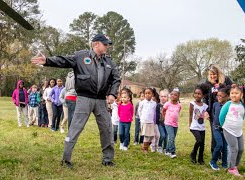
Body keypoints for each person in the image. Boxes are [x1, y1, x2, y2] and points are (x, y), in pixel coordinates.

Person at [30, 33, 121, 167]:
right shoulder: (81, 56)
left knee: (107, 129)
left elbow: (116, 79)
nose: (107, 46)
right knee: (75, 128)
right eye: (105, 44)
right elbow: (64, 61)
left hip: (101, 100)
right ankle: (66, 160)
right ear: (96, 44)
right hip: (84, 99)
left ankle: (108, 160)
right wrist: (47, 61)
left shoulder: (109, 62)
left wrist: (112, 93)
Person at [201, 64, 233, 154]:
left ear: (218, 73)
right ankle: (215, 153)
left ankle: (225, 153)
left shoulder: (226, 80)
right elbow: (205, 98)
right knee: (215, 133)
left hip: (225, 109)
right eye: (210, 74)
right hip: (213, 111)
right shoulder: (207, 83)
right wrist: (206, 111)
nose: (212, 76)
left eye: (214, 74)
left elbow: (232, 91)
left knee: (225, 132)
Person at [219, 84, 245, 176]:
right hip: (228, 130)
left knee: (241, 149)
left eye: (236, 93)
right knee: (234, 149)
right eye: (232, 93)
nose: (234, 95)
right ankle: (231, 168)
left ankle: (235, 165)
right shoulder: (228, 104)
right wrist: (224, 126)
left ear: (241, 94)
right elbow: (221, 117)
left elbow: (242, 116)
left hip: (238, 131)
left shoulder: (242, 105)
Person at [209, 85, 230, 170]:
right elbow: (214, 115)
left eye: (221, 96)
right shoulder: (215, 104)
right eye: (218, 95)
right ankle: (213, 161)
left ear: (227, 97)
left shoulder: (229, 106)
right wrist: (215, 124)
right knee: (219, 145)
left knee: (225, 147)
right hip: (216, 128)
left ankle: (224, 164)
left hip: (225, 129)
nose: (219, 97)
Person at [189, 85, 209, 165]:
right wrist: (189, 125)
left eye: (199, 94)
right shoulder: (192, 104)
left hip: (202, 127)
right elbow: (190, 115)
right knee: (199, 140)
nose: (197, 95)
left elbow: (206, 115)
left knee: (202, 144)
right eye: (196, 93)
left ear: (203, 95)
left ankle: (200, 158)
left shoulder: (205, 105)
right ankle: (193, 154)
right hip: (194, 127)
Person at [163, 88, 182, 158]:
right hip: (168, 123)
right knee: (171, 137)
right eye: (171, 94)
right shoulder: (167, 104)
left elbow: (178, 112)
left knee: (172, 138)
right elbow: (163, 111)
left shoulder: (179, 105)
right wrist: (165, 117)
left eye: (175, 95)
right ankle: (172, 151)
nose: (173, 96)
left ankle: (167, 150)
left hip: (175, 124)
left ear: (178, 97)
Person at [138, 87, 157, 154]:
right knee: (146, 136)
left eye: (149, 93)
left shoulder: (154, 103)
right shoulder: (142, 103)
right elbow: (139, 111)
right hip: (144, 121)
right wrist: (142, 119)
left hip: (151, 121)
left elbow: (154, 112)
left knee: (151, 136)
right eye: (146, 93)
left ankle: (144, 146)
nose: (147, 95)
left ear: (152, 95)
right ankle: (145, 149)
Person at [157, 89, 169, 153]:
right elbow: (156, 115)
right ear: (159, 97)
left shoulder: (169, 105)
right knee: (162, 135)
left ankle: (165, 148)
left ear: (167, 97)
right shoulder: (158, 105)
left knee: (166, 137)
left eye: (165, 96)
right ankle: (159, 146)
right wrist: (156, 123)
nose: (163, 98)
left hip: (168, 124)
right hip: (160, 123)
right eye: (162, 96)